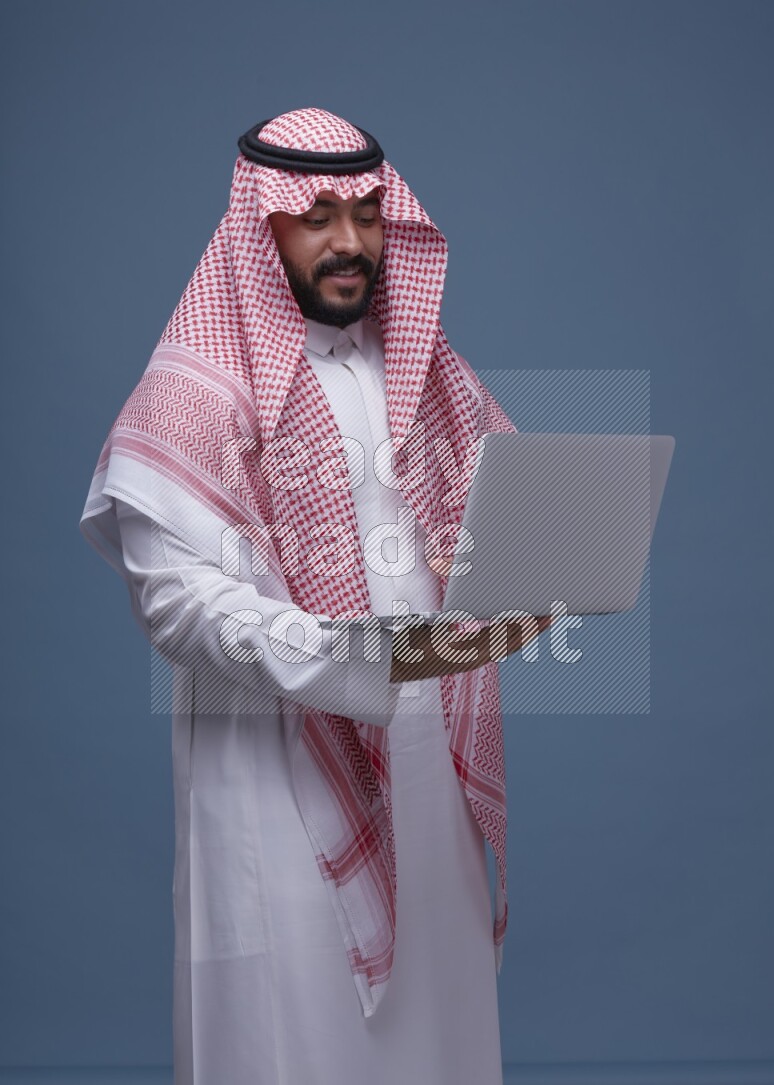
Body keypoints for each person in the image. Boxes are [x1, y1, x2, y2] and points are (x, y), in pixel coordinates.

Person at [80, 107, 547, 1085]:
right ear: (261, 224)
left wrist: (536, 580)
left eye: (369, 212)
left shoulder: (425, 374)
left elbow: (502, 514)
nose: (349, 240)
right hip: (277, 779)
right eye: (317, 213)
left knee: (441, 1037)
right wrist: (370, 657)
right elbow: (179, 607)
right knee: (299, 1041)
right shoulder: (196, 389)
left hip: (428, 773)